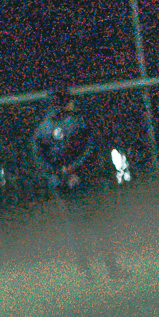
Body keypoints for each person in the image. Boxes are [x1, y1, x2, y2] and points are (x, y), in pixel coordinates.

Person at [31, 88, 126, 282]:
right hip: (87, 181)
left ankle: (85, 272)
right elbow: (91, 149)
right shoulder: (80, 122)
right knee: (99, 225)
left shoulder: (41, 130)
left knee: (74, 229)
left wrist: (61, 174)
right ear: (67, 102)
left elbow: (39, 160)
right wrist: (76, 170)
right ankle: (111, 268)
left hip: (62, 186)